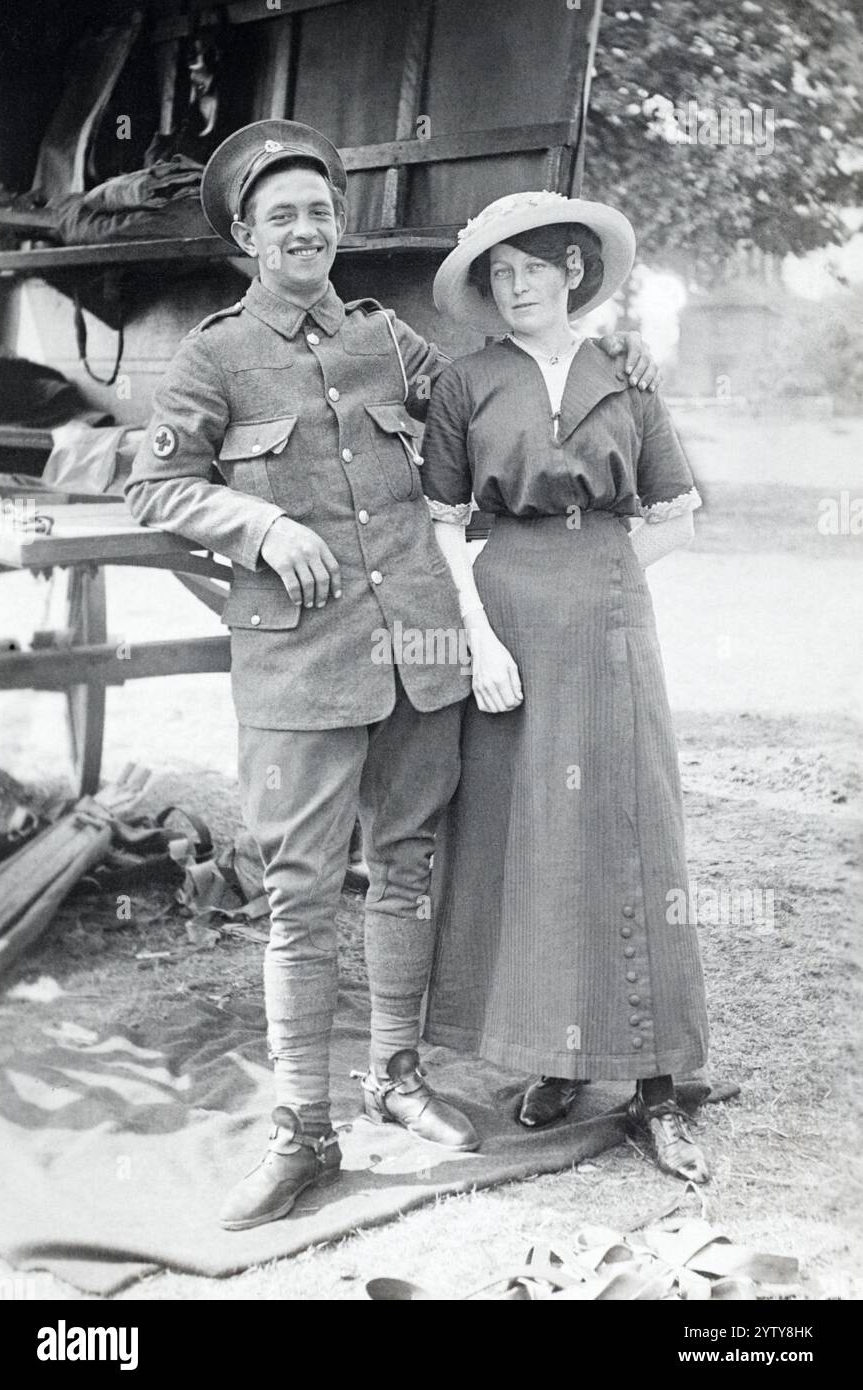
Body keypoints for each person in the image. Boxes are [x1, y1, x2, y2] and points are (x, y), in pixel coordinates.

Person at [126, 123, 659, 1229]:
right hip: (299, 665)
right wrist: (260, 523)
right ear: (244, 236)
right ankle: (302, 1130)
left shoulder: (386, 338)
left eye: (321, 210)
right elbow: (157, 489)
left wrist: (610, 358)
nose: (308, 228)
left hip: (419, 656)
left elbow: (499, 389)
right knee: (300, 895)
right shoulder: (214, 357)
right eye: (283, 216)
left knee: (406, 869)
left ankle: (396, 1074)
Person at [419, 191, 711, 1183]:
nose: (515, 286)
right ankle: (558, 1060)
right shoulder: (467, 383)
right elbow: (444, 525)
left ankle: (659, 1086)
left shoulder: (627, 379)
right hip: (505, 621)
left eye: (531, 268)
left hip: (607, 613)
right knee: (529, 838)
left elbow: (678, 510)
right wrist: (482, 640)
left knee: (631, 831)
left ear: (572, 271)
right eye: (498, 274)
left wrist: (609, 584)